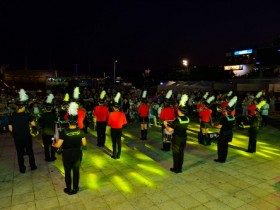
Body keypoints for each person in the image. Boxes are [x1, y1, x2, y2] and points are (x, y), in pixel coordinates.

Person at [52, 101, 87, 195]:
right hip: (77, 153)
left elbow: (58, 145)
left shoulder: (64, 132)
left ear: (68, 121)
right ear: (76, 121)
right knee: (76, 172)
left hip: (67, 154)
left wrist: (53, 144)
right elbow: (84, 144)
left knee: (67, 172)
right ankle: (75, 188)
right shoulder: (81, 131)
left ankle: (69, 189)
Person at [8, 89, 37, 173]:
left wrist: (15, 133)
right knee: (30, 151)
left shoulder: (12, 116)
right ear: (23, 106)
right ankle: (32, 166)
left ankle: (22, 169)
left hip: (17, 137)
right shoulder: (27, 115)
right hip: (27, 136)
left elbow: (10, 129)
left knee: (20, 153)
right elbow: (33, 124)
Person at [163, 94, 190, 173]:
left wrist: (165, 124)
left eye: (178, 110)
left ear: (180, 111)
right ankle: (180, 168)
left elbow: (170, 130)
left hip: (177, 138)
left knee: (176, 154)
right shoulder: (187, 118)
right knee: (181, 153)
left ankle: (176, 169)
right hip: (184, 137)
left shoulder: (177, 119)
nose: (177, 110)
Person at [213, 96, 237, 163]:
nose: (224, 111)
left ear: (227, 112)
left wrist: (214, 125)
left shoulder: (224, 118)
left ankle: (220, 159)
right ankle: (224, 158)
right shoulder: (233, 118)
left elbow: (219, 126)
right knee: (225, 147)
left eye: (225, 110)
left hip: (223, 134)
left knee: (220, 147)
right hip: (229, 133)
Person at [107, 92, 127, 159]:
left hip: (113, 129)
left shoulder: (111, 114)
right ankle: (119, 155)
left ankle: (114, 154)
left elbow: (109, 123)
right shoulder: (122, 114)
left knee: (114, 142)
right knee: (119, 142)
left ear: (114, 108)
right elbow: (124, 123)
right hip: (119, 129)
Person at [38, 93, 57, 161]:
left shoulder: (43, 115)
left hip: (45, 133)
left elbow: (40, 124)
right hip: (52, 133)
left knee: (46, 146)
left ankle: (47, 158)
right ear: (51, 108)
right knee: (53, 146)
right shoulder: (54, 115)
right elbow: (56, 122)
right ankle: (53, 157)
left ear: (45, 108)